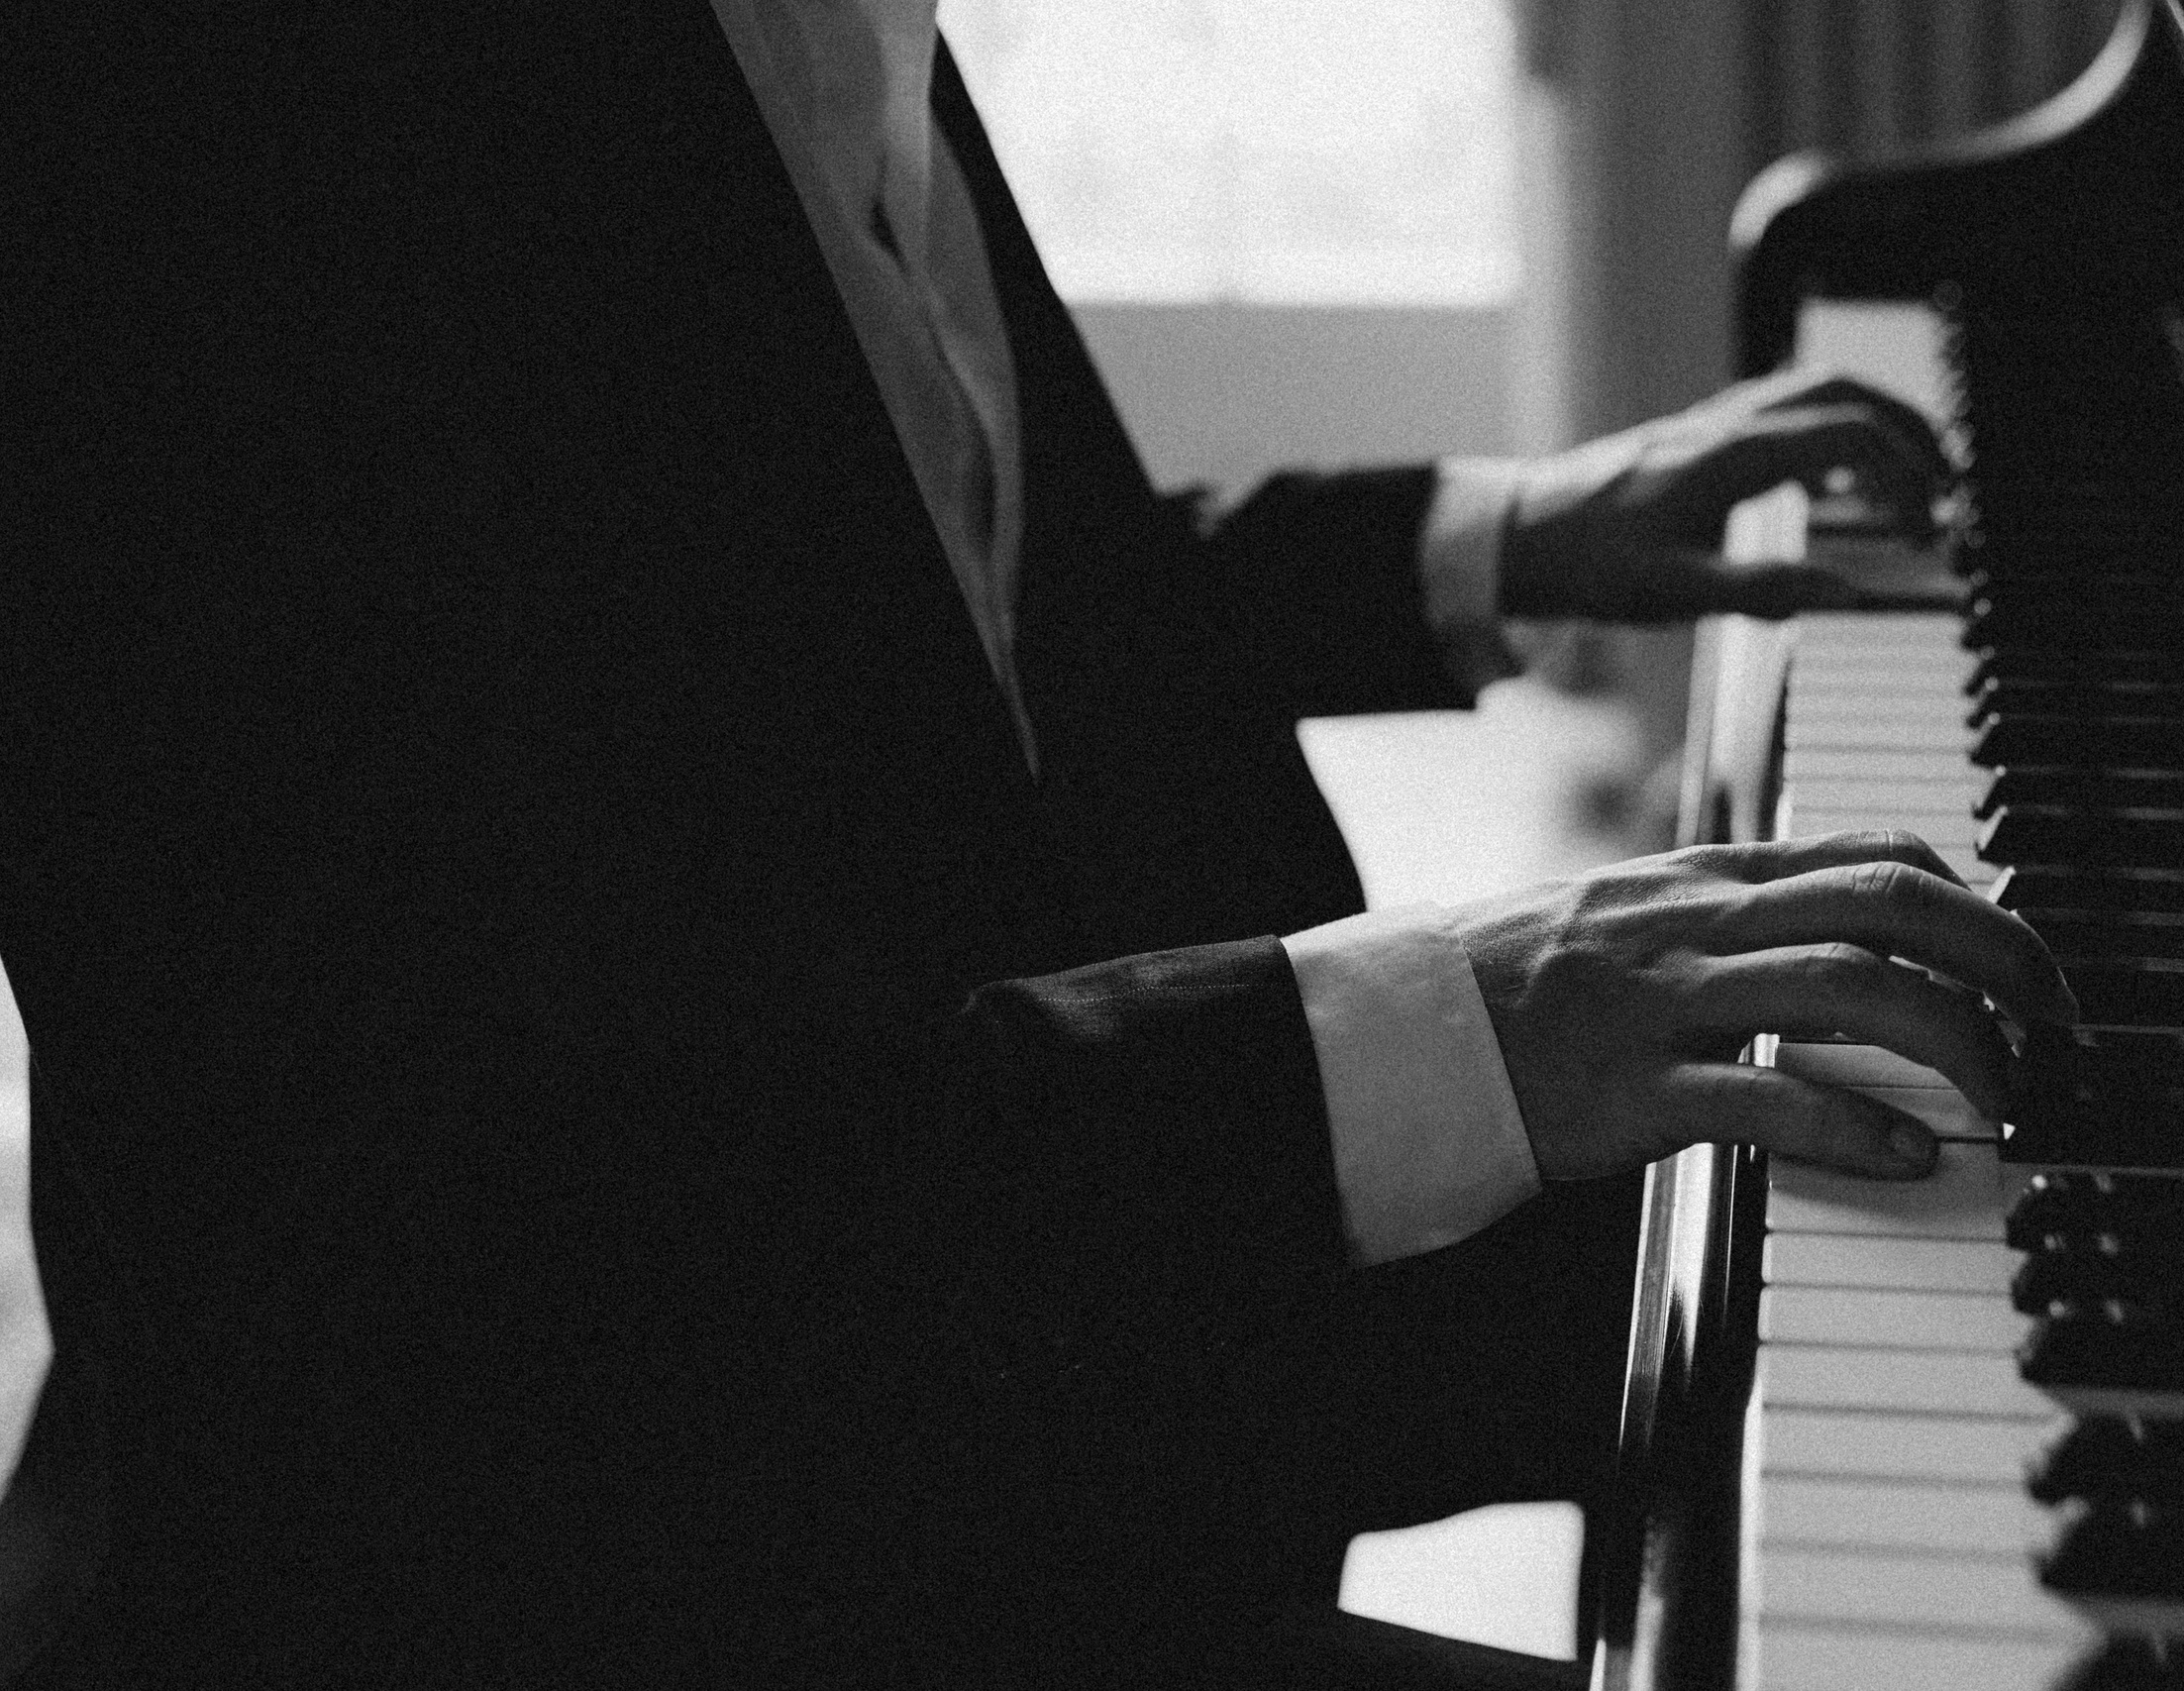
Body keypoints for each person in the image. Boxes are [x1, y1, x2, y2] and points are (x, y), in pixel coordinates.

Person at [7, 2, 2073, 1685]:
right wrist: (1444, 1029)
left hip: (964, 1261)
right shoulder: (175, 95)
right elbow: (431, 1245)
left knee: (1973, 1188)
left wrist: (1488, 539)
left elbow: (876, 614)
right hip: (572, 1538)